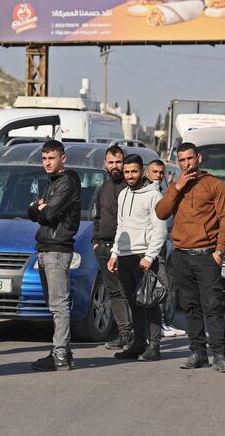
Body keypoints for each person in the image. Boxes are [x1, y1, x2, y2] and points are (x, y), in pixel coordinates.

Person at [155, 142, 225, 373]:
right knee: (190, 307)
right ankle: (198, 352)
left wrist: (220, 251)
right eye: (181, 160)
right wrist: (177, 187)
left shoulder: (215, 185)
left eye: (190, 158)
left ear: (199, 158)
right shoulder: (176, 186)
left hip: (206, 255)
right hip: (181, 255)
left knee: (212, 307)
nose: (186, 163)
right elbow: (161, 212)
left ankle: (219, 355)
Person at [107, 154, 168, 362]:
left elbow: (160, 230)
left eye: (133, 171)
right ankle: (139, 343)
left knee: (150, 302)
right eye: (126, 172)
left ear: (142, 172)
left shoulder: (154, 196)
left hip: (144, 257)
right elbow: (121, 226)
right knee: (134, 302)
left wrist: (150, 257)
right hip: (125, 256)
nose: (130, 176)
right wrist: (115, 253)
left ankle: (155, 346)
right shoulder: (123, 194)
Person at [28, 140, 81, 371]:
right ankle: (62, 352)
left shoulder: (67, 181)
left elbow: (47, 213)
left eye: (52, 158)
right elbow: (31, 210)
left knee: (59, 305)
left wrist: (41, 209)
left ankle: (60, 354)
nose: (47, 163)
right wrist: (38, 209)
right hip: (46, 247)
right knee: (54, 304)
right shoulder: (53, 182)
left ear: (63, 158)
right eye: (44, 158)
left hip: (58, 249)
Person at [91, 145, 134, 350]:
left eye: (118, 162)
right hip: (104, 247)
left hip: (126, 249)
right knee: (114, 293)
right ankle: (124, 334)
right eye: (111, 162)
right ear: (105, 165)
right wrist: (95, 241)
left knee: (129, 292)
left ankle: (138, 336)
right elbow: (98, 217)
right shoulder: (103, 188)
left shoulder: (131, 186)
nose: (115, 166)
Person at [145, 159, 186, 338]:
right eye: (155, 172)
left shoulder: (162, 190)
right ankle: (155, 326)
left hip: (163, 246)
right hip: (148, 248)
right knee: (154, 287)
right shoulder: (146, 192)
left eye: (161, 173)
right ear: (147, 173)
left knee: (162, 287)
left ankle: (162, 323)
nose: (158, 176)